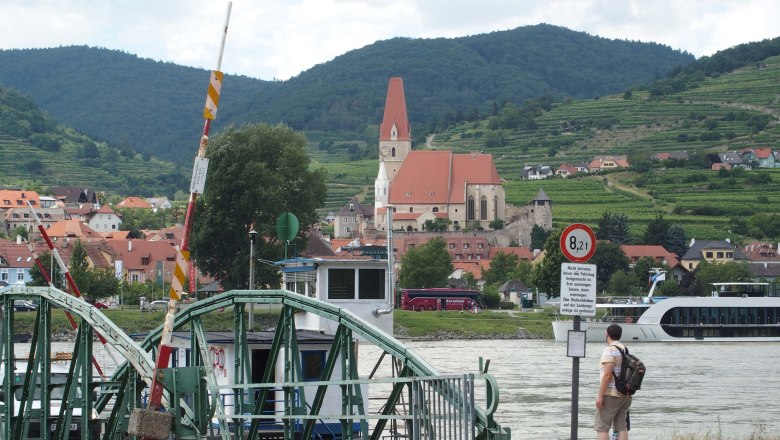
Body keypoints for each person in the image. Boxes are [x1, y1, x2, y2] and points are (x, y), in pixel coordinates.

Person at [595, 323, 632, 440]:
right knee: (622, 426)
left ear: (607, 334)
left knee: (602, 427)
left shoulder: (609, 350)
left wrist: (600, 396)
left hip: (611, 393)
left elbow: (607, 374)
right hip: (625, 393)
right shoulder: (625, 349)